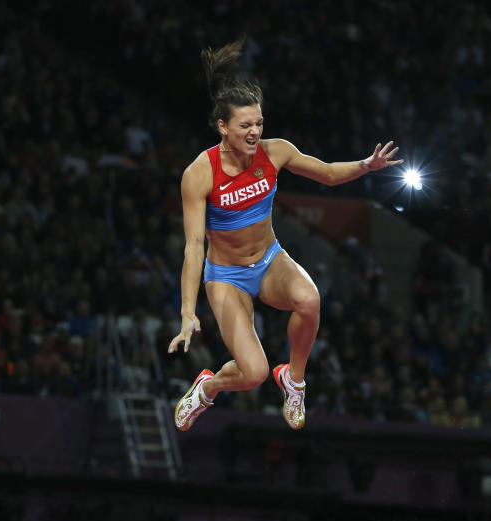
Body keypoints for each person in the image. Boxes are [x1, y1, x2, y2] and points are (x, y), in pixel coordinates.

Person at [168, 40, 402, 431]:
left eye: (259, 123)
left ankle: (294, 380)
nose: (255, 132)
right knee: (253, 373)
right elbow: (194, 246)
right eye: (245, 126)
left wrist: (366, 164)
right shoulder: (199, 173)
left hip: (269, 259)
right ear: (223, 127)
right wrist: (188, 311)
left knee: (309, 300)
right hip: (226, 276)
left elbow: (326, 173)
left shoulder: (276, 152)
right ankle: (207, 389)